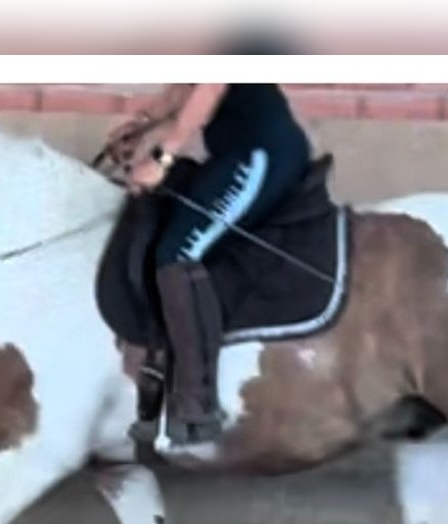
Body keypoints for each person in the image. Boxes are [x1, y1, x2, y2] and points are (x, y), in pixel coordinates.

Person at [107, 84, 312, 445]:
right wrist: (141, 123)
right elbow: (188, 83)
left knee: (179, 252)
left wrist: (163, 156)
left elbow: (210, 84)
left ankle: (197, 405)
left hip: (259, 154)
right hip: (231, 154)